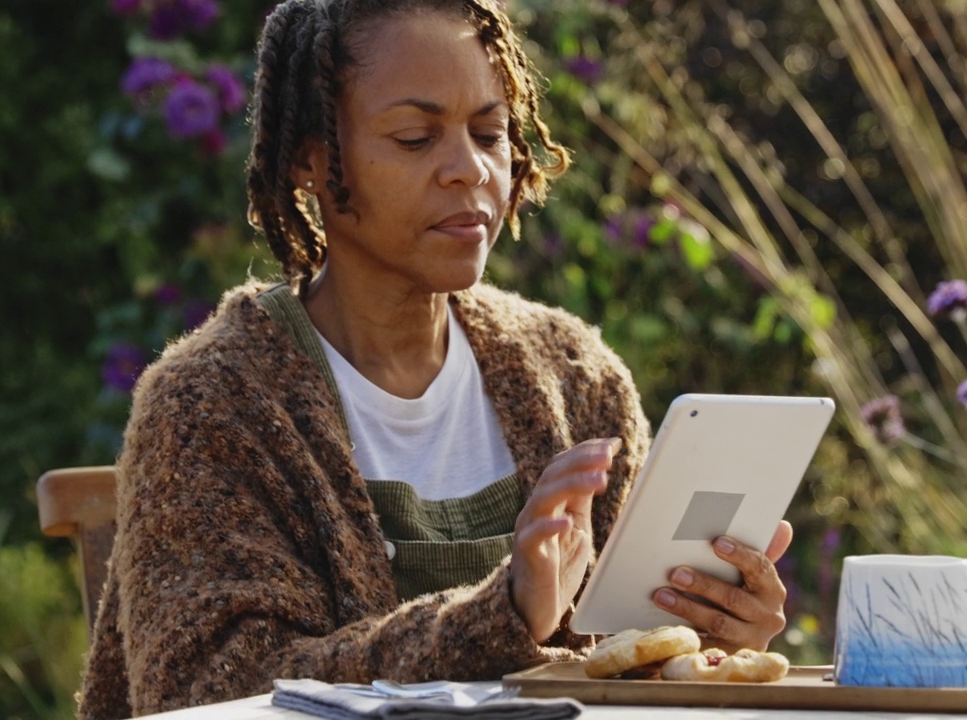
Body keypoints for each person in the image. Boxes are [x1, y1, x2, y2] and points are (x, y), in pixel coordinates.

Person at [77, 1, 793, 717]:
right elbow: (212, 694)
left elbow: (619, 663)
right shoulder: (212, 403)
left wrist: (706, 637)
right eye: (416, 137)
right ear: (308, 158)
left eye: (490, 132)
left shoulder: (575, 375)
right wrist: (500, 613)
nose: (470, 169)